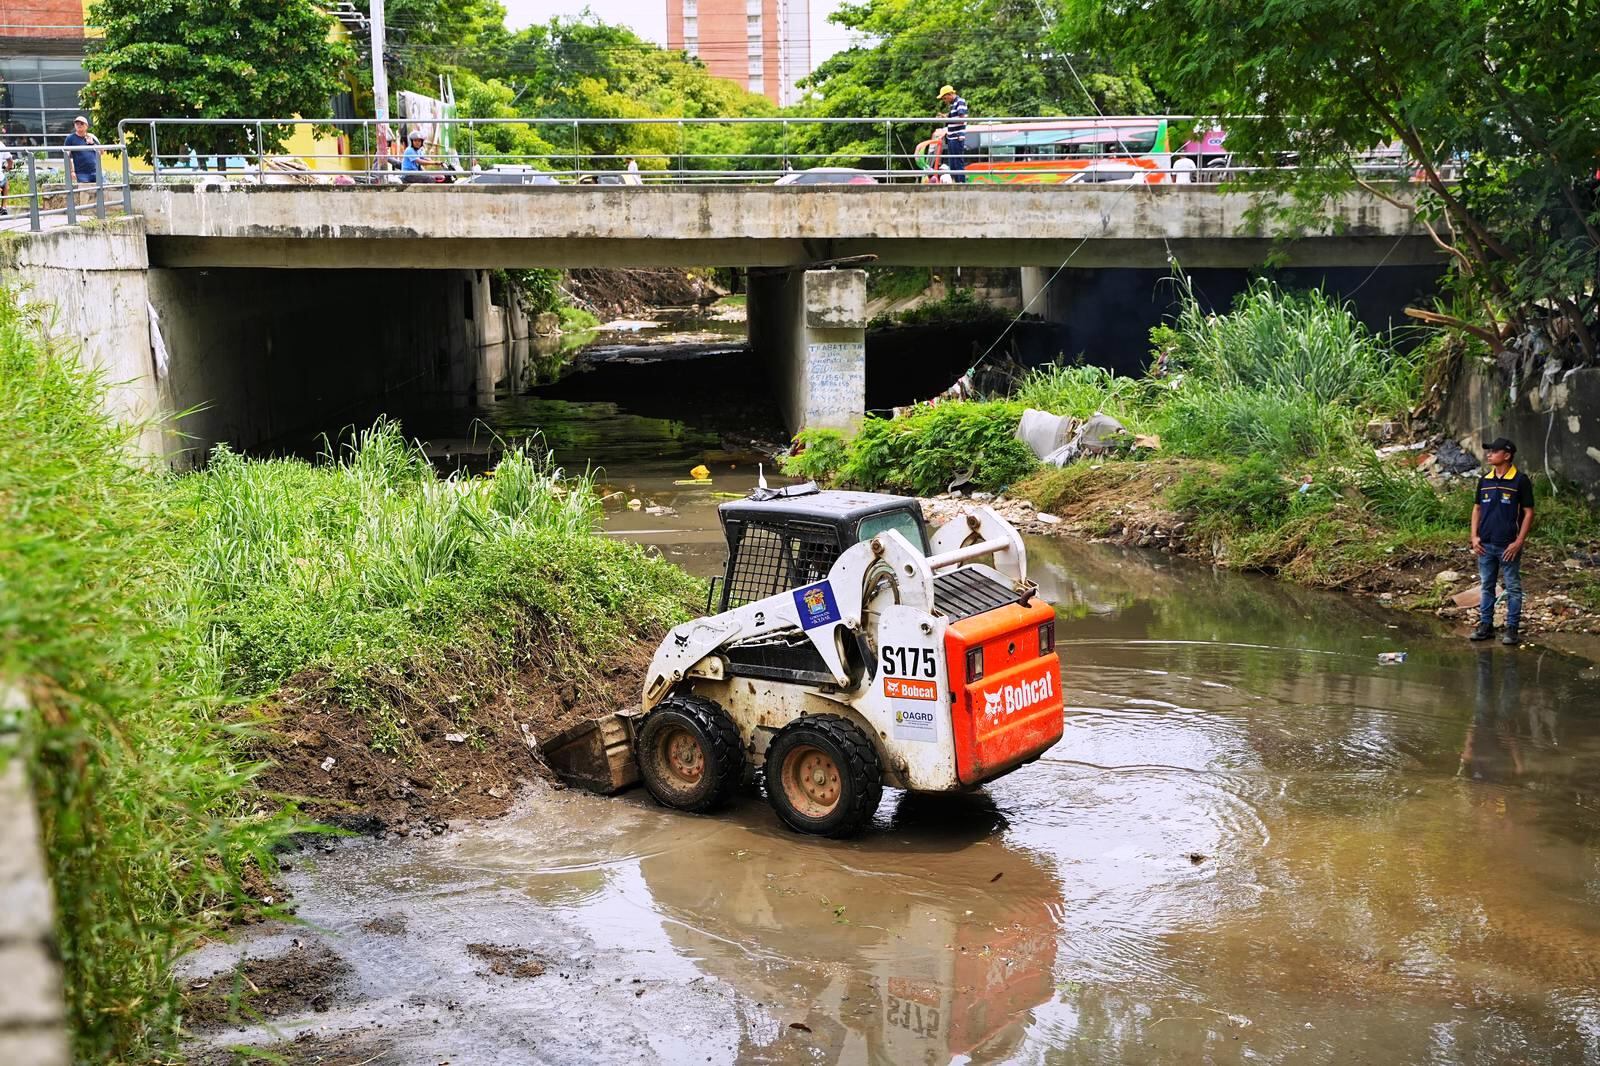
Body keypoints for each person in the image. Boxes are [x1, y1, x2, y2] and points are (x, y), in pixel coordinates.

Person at [1469, 436, 1534, 645]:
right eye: (1489, 451)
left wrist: (1519, 541)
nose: (1489, 455)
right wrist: (1474, 537)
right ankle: (1485, 626)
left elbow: (1528, 512)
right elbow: (1477, 509)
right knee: (1486, 585)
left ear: (1506, 455)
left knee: (1512, 587)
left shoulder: (1520, 480)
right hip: (1485, 544)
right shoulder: (1484, 480)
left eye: (1494, 451)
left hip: (1508, 544)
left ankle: (1512, 628)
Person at [937, 85, 968, 184]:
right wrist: (945, 116)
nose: (944, 101)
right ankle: (956, 183)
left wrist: (947, 119)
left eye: (944, 98)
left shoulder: (960, 102)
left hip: (957, 136)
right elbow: (953, 116)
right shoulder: (953, 104)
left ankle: (961, 183)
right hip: (951, 136)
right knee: (953, 162)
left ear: (949, 94)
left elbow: (962, 119)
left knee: (957, 161)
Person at [63, 114, 99, 185]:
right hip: (81, 173)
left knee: (102, 190)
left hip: (96, 171)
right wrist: (72, 171)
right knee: (84, 191)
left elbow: (102, 152)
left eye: (82, 123)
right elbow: (66, 156)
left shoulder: (91, 136)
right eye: (77, 123)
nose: (79, 125)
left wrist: (92, 144)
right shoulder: (70, 138)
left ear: (86, 126)